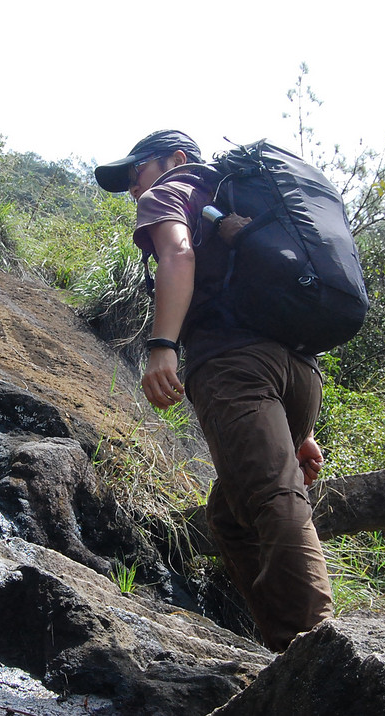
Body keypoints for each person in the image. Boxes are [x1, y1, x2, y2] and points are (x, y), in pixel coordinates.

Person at [94, 130, 333, 652]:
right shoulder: (242, 194)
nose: (134, 189)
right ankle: (283, 646)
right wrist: (302, 431)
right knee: (229, 514)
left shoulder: (171, 192)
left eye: (136, 173)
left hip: (233, 363)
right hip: (302, 370)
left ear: (175, 160)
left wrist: (162, 345)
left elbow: (178, 256)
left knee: (272, 496)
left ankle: (320, 650)